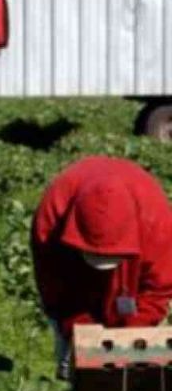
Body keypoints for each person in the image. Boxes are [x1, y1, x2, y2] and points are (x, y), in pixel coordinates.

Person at [32, 156, 172, 379]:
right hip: (76, 281)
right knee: (72, 365)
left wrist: (131, 337)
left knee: (142, 361)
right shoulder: (52, 216)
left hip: (131, 287)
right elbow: (55, 291)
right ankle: (72, 389)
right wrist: (82, 332)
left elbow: (158, 289)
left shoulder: (156, 220)